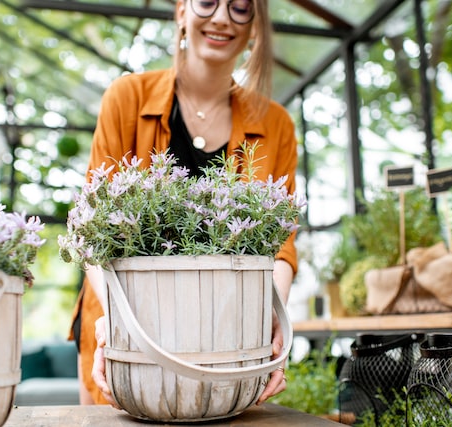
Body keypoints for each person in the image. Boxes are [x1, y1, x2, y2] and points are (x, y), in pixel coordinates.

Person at [69, 0, 299, 407]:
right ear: (180, 13)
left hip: (226, 337)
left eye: (241, 7)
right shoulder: (127, 98)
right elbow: (91, 228)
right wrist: (119, 322)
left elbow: (281, 243)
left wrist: (270, 317)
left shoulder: (276, 123)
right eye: (207, 1)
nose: (223, 17)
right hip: (122, 324)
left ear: (253, 29)